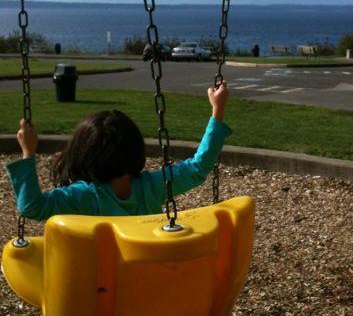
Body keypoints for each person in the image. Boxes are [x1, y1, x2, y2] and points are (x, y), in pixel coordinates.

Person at [6, 82, 231, 221]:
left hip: (99, 286)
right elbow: (198, 168)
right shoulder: (152, 187)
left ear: (85, 155)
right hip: (144, 278)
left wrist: (28, 153)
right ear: (135, 151)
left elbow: (31, 207)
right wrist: (217, 111)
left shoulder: (83, 196)